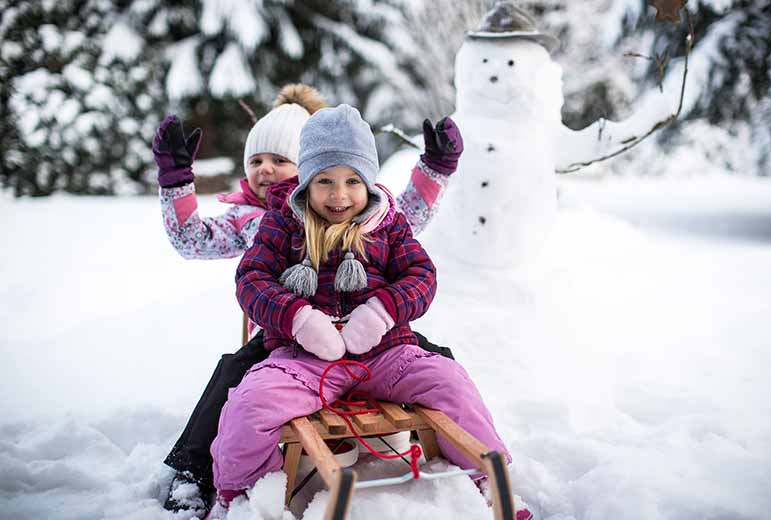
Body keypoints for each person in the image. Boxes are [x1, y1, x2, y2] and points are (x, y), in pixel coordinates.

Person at [207, 104, 530, 519]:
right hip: (303, 360)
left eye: (352, 181)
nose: (338, 195)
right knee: (250, 403)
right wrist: (299, 319)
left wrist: (381, 312)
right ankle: (244, 499)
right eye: (324, 181)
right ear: (306, 182)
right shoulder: (283, 224)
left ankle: (487, 480)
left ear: (369, 182)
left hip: (384, 355)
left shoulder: (388, 225)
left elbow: (421, 275)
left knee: (450, 381)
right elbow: (251, 280)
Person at [152, 85, 462, 515]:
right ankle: (195, 471)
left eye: (280, 160)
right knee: (232, 376)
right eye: (256, 161)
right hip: (287, 333)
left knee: (439, 359)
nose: (265, 170)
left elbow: (406, 218)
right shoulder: (251, 219)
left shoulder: (358, 205)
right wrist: (176, 181)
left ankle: (432, 437)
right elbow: (193, 240)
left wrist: (435, 168)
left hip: (367, 331)